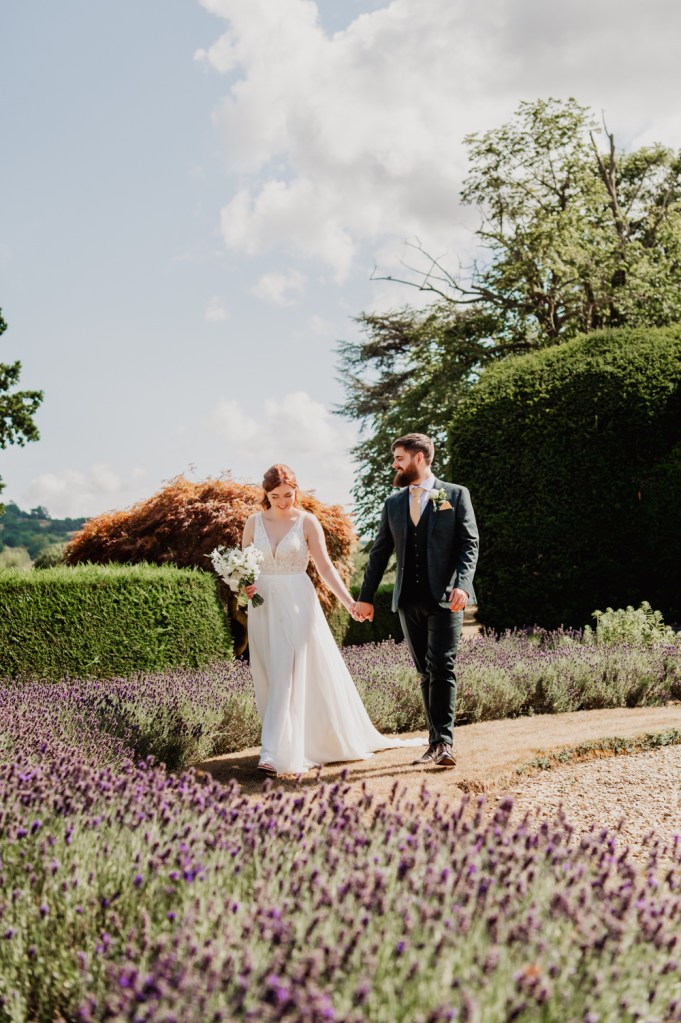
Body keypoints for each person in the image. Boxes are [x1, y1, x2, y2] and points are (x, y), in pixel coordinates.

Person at [242, 464, 424, 776]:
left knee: (286, 670)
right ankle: (293, 740)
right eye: (275, 496)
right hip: (262, 607)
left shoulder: (307, 522)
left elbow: (325, 569)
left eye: (288, 495)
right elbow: (244, 565)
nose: (283, 501)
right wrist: (244, 584)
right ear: (266, 495)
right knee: (270, 673)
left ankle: (271, 753)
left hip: (298, 604)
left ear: (296, 491)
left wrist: (350, 602)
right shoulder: (253, 523)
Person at [354, 433, 479, 768]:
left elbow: (470, 544)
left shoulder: (454, 495)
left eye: (400, 458)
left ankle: (444, 743)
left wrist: (463, 586)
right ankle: (434, 743)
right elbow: (380, 553)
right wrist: (366, 598)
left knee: (442, 665)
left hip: (446, 598)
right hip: (407, 600)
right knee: (425, 671)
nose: (395, 464)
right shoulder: (393, 503)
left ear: (420, 458)